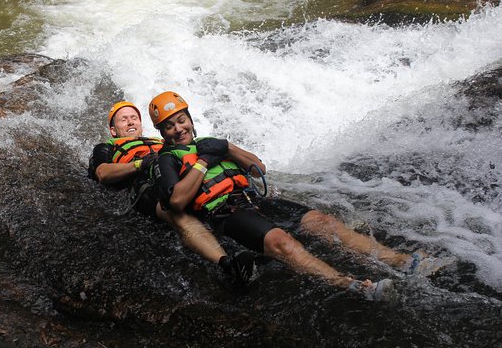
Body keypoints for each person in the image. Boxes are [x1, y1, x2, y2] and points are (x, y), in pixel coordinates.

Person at [148, 91, 452, 299]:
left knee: (323, 221)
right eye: (170, 126)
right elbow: (176, 201)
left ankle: (402, 261)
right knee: (283, 243)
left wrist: (226, 147)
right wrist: (202, 162)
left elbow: (257, 168)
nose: (178, 129)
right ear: (162, 133)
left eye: (181, 120)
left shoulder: (211, 143)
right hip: (226, 213)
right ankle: (353, 285)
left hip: (258, 201)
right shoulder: (167, 159)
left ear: (190, 117)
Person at [88, 100, 258, 285]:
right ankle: (227, 265)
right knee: (176, 213)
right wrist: (139, 164)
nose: (130, 122)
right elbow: (102, 173)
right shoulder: (107, 147)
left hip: (179, 175)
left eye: (134, 118)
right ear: (113, 130)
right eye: (123, 120)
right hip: (146, 185)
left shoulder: (163, 142)